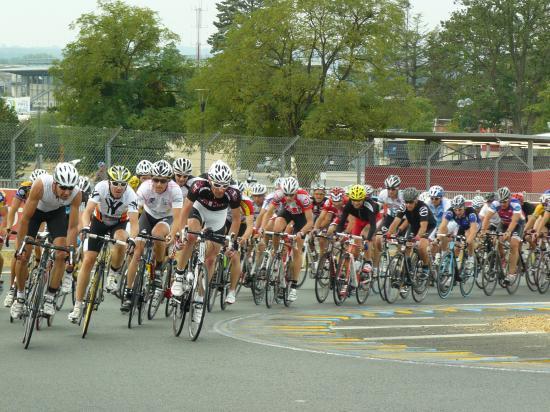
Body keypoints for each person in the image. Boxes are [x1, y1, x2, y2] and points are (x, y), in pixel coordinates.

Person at [10, 163, 81, 319]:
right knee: (23, 256)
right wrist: (20, 246)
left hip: (56, 214)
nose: (66, 192)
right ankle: (20, 296)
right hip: (35, 214)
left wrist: (69, 250)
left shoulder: (76, 194)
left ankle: (49, 297)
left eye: (70, 188)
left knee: (61, 255)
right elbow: (25, 219)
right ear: (54, 183)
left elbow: (72, 227)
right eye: (63, 187)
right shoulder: (41, 184)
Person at [171, 160, 241, 319]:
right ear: (210, 180)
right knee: (191, 236)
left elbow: (236, 219)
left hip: (218, 216)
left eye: (224, 185)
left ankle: (200, 299)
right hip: (199, 210)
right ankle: (179, 276)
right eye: (217, 185)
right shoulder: (198, 185)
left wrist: (231, 241)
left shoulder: (234, 192)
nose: (221, 189)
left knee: (211, 259)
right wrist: (182, 231)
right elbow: (186, 209)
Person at [68, 166, 139, 322]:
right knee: (88, 261)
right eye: (115, 183)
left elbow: (134, 223)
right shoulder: (100, 187)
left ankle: (112, 275)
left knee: (122, 240)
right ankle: (78, 306)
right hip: (99, 221)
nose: (119, 187)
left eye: (122, 184)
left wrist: (133, 238)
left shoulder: (131, 195)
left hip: (119, 223)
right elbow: (87, 212)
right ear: (109, 182)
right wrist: (86, 227)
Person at [121, 160, 183, 312]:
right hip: (148, 216)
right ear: (151, 179)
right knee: (137, 251)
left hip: (166, 218)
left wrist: (173, 234)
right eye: (155, 179)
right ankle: (129, 293)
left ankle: (159, 267)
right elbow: (135, 211)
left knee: (157, 234)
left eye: (163, 181)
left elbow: (177, 218)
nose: (159, 184)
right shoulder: (145, 187)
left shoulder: (175, 190)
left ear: (169, 180)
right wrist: (134, 233)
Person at [260, 177, 314, 302]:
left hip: (302, 217)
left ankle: (294, 286)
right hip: (288, 212)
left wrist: (301, 232)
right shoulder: (279, 194)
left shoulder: (303, 198)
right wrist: (262, 227)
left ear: (296, 192)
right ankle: (276, 253)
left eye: (291, 195)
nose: (289, 197)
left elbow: (310, 222)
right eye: (286, 194)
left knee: (297, 250)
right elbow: (268, 213)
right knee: (276, 227)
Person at [480, 186, 525, 283]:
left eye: (504, 202)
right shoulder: (496, 203)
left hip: (517, 224)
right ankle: (503, 259)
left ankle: (511, 274)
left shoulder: (515, 203)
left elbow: (515, 219)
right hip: (504, 223)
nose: (502, 204)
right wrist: (483, 230)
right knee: (496, 240)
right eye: (501, 202)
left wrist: (508, 232)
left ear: (509, 199)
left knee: (513, 244)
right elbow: (487, 217)